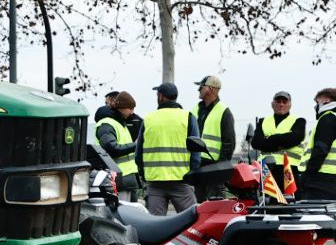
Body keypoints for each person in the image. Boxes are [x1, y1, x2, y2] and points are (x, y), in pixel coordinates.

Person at [139, 82, 202, 215]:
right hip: (181, 181)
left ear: (161, 97)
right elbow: (196, 151)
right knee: (191, 222)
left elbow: (139, 152)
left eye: (157, 95)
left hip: (155, 182)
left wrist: (144, 174)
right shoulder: (188, 117)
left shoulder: (149, 119)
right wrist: (192, 174)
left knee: (155, 226)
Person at [298, 87, 336, 201]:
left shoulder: (328, 118)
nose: (315, 106)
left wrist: (306, 177)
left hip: (321, 183)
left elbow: (320, 150)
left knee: (313, 218)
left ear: (326, 100)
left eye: (317, 102)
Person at [252, 90, 307, 192]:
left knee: (289, 202)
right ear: (272, 104)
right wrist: (280, 144)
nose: (281, 104)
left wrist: (269, 138)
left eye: (284, 102)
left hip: (289, 168)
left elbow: (294, 138)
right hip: (265, 167)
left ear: (290, 105)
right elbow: (256, 143)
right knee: (265, 201)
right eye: (278, 101)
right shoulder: (263, 121)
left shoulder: (299, 120)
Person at [191, 74, 234, 199]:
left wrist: (220, 169)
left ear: (211, 89)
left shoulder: (224, 111)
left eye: (201, 87)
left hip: (213, 168)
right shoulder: (195, 109)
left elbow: (229, 143)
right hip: (197, 166)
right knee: (199, 208)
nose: (198, 89)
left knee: (214, 207)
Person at [95, 92, 143, 202]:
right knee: (122, 214)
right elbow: (111, 148)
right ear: (122, 108)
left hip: (125, 179)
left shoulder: (120, 123)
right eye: (130, 108)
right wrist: (136, 145)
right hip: (117, 179)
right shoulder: (107, 124)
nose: (132, 112)